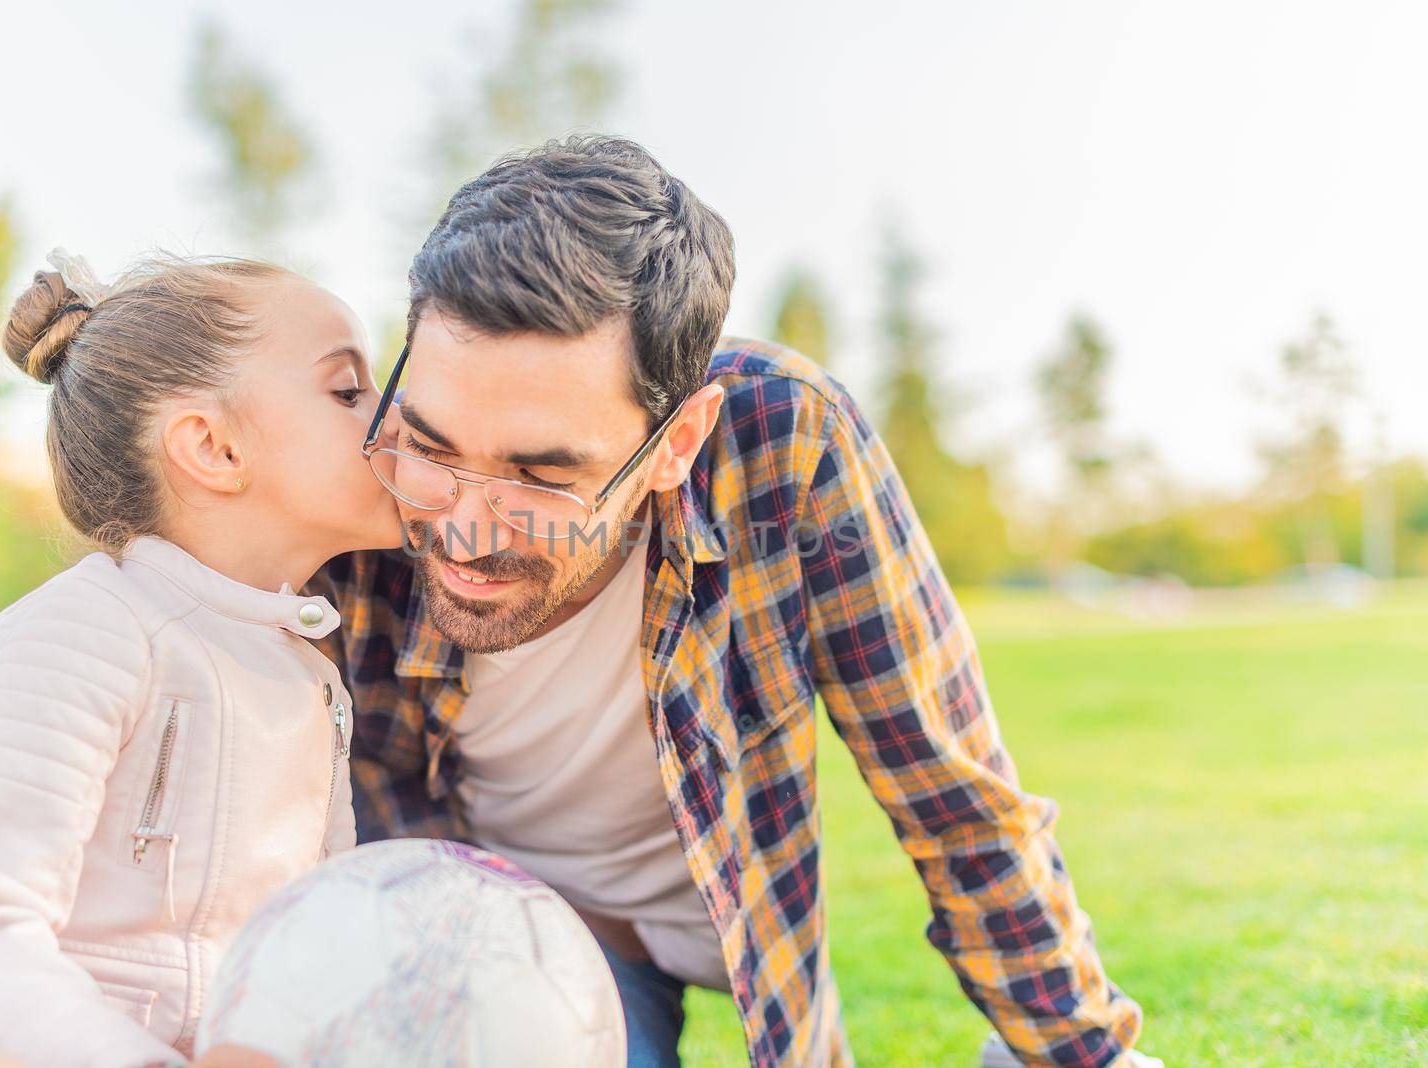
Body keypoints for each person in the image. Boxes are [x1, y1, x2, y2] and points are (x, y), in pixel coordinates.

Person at [312, 135, 1156, 1067]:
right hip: (492, 931)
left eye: (541, 479)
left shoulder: (785, 442)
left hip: (738, 924)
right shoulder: (349, 466)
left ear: (678, 443)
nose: (464, 530)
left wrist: (1084, 1053)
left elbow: (948, 785)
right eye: (432, 449)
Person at [0, 254, 399, 1067]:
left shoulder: (312, 685)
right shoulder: (84, 631)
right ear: (212, 448)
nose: (395, 420)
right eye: (348, 392)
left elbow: (302, 964)